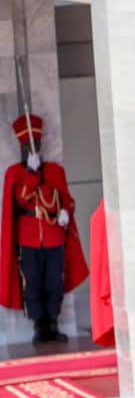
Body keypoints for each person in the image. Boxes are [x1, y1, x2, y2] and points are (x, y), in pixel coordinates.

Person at [0, 114, 88, 343]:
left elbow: (66, 199)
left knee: (53, 281)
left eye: (35, 143)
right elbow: (20, 200)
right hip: (28, 236)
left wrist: (66, 212)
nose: (32, 148)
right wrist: (31, 173)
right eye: (28, 144)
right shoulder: (15, 173)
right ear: (21, 146)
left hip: (53, 234)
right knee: (32, 282)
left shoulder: (55, 171)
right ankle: (39, 326)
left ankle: (53, 323)